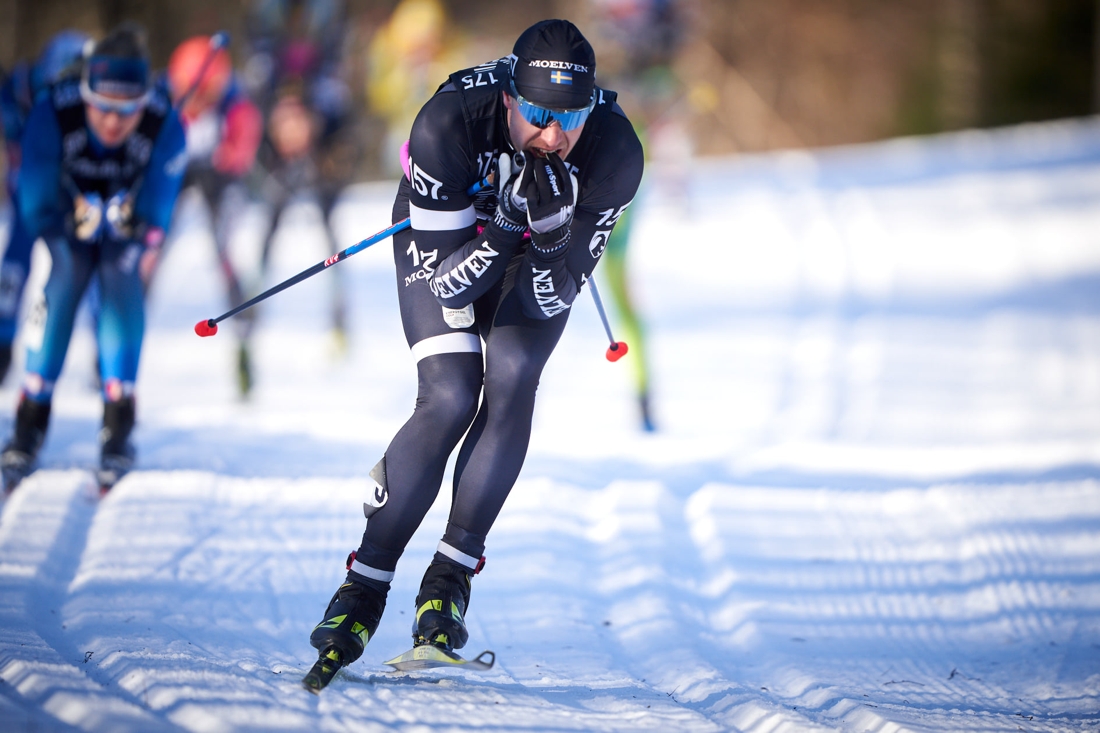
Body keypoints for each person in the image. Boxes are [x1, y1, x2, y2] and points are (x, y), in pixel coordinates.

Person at [307, 19, 643, 678]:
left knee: (514, 375)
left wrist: (546, 238)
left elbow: (551, 297)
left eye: (570, 117)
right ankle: (362, 587)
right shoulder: (450, 121)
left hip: (532, 249)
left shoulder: (614, 153)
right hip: (451, 241)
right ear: (512, 100)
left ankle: (448, 581)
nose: (554, 135)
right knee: (451, 392)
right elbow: (450, 286)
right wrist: (508, 225)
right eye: (539, 114)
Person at [0, 23, 187, 493]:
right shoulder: (54, 110)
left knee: (120, 279)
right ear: (85, 94)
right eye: (102, 108)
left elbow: (159, 211)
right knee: (64, 276)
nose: (111, 122)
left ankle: (118, 420)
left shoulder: (165, 121)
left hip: (123, 223)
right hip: (67, 217)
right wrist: (67, 221)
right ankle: (30, 416)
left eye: (126, 111)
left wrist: (136, 222)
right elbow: (34, 201)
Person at [243, 0, 358, 353]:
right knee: (270, 228)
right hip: (284, 134)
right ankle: (252, 313)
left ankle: (339, 315)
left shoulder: (327, 95)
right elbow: (254, 144)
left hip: (315, 137)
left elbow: (344, 141)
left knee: (328, 231)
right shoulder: (266, 85)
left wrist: (329, 166)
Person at [163, 36, 263, 397]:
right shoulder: (170, 103)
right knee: (151, 249)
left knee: (225, 253)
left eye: (207, 91)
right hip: (176, 178)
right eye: (194, 91)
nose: (200, 99)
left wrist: (223, 161)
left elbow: (242, 151)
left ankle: (243, 341)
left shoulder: (234, 107)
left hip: (218, 182)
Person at [0, 30, 91, 384]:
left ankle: (101, 356)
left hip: (68, 201)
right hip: (27, 196)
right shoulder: (17, 90)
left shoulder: (84, 101)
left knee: (81, 266)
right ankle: (4, 341)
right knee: (16, 263)